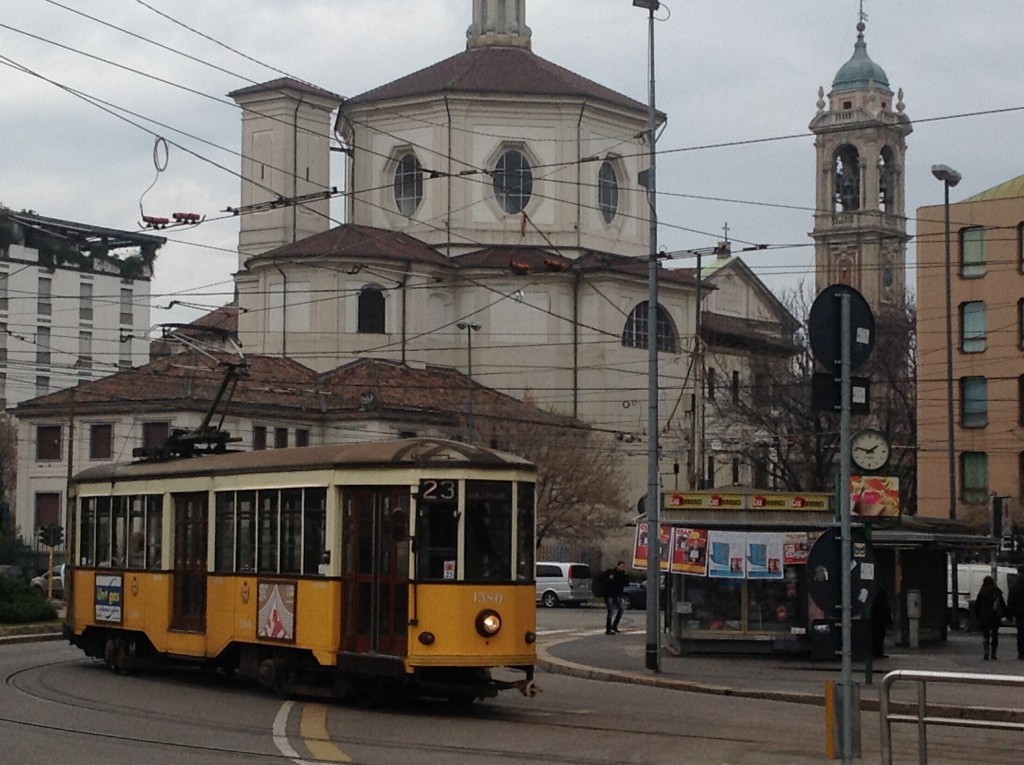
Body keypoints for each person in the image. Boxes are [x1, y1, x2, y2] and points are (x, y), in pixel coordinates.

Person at [974, 575, 1007, 660]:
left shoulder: (982, 592)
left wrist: (978, 616)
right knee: (995, 635)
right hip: (995, 616)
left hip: (984, 616)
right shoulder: (997, 592)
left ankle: (986, 651)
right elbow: (1002, 605)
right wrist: (1007, 615)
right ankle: (993, 653)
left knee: (986, 635)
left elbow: (977, 605)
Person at [602, 561, 629, 635]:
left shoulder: (623, 574)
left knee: (621, 609)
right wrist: (609, 578)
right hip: (610, 594)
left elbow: (626, 584)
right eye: (621, 566)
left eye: (623, 567)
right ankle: (608, 629)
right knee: (611, 611)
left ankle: (614, 625)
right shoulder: (611, 572)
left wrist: (626, 575)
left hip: (618, 595)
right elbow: (604, 581)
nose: (622, 568)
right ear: (618, 566)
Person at [1006, 566, 1024, 661]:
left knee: (1021, 634)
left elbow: (1011, 602)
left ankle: (1021, 653)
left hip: (1020, 614)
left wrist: (1010, 615)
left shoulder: (1015, 587)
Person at [871, 587, 893, 659]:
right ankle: (878, 652)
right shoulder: (882, 599)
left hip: (876, 620)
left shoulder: (874, 598)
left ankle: (876, 652)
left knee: (877, 636)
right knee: (879, 637)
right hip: (880, 620)